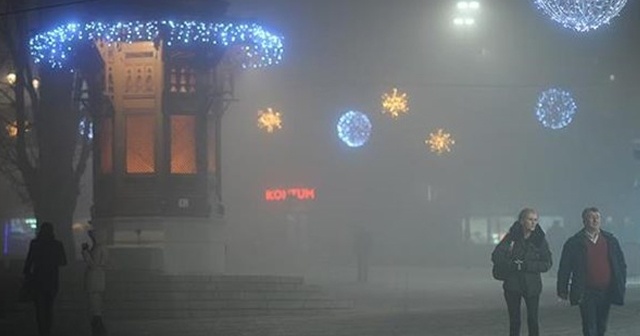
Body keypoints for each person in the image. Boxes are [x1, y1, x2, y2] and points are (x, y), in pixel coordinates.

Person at [557, 207, 627, 336]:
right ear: (584, 220)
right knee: (589, 326)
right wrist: (562, 289)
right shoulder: (574, 243)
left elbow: (621, 264)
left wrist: (621, 283)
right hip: (586, 291)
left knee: (601, 326)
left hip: (606, 290)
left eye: (598, 217)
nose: (595, 220)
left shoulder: (610, 241)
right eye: (591, 217)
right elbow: (565, 268)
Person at [491, 208, 552, 336]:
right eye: (530, 219)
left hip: (532, 286)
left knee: (533, 320)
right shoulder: (511, 238)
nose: (533, 223)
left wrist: (527, 265)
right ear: (521, 221)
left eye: (535, 220)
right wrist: (513, 265)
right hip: (513, 285)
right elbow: (496, 256)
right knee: (514, 320)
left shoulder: (540, 240)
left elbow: (547, 263)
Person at [23, 222, 68, 336]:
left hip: (37, 279)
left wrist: (27, 275)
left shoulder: (35, 244)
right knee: (49, 307)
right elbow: (63, 262)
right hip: (52, 279)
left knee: (39, 307)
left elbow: (29, 261)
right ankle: (47, 329)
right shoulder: (57, 245)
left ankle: (41, 330)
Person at [82, 228, 109, 335]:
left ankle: (97, 327)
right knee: (96, 302)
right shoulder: (103, 248)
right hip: (99, 277)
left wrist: (85, 252)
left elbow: (92, 264)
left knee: (94, 304)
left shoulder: (98, 248)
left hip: (94, 278)